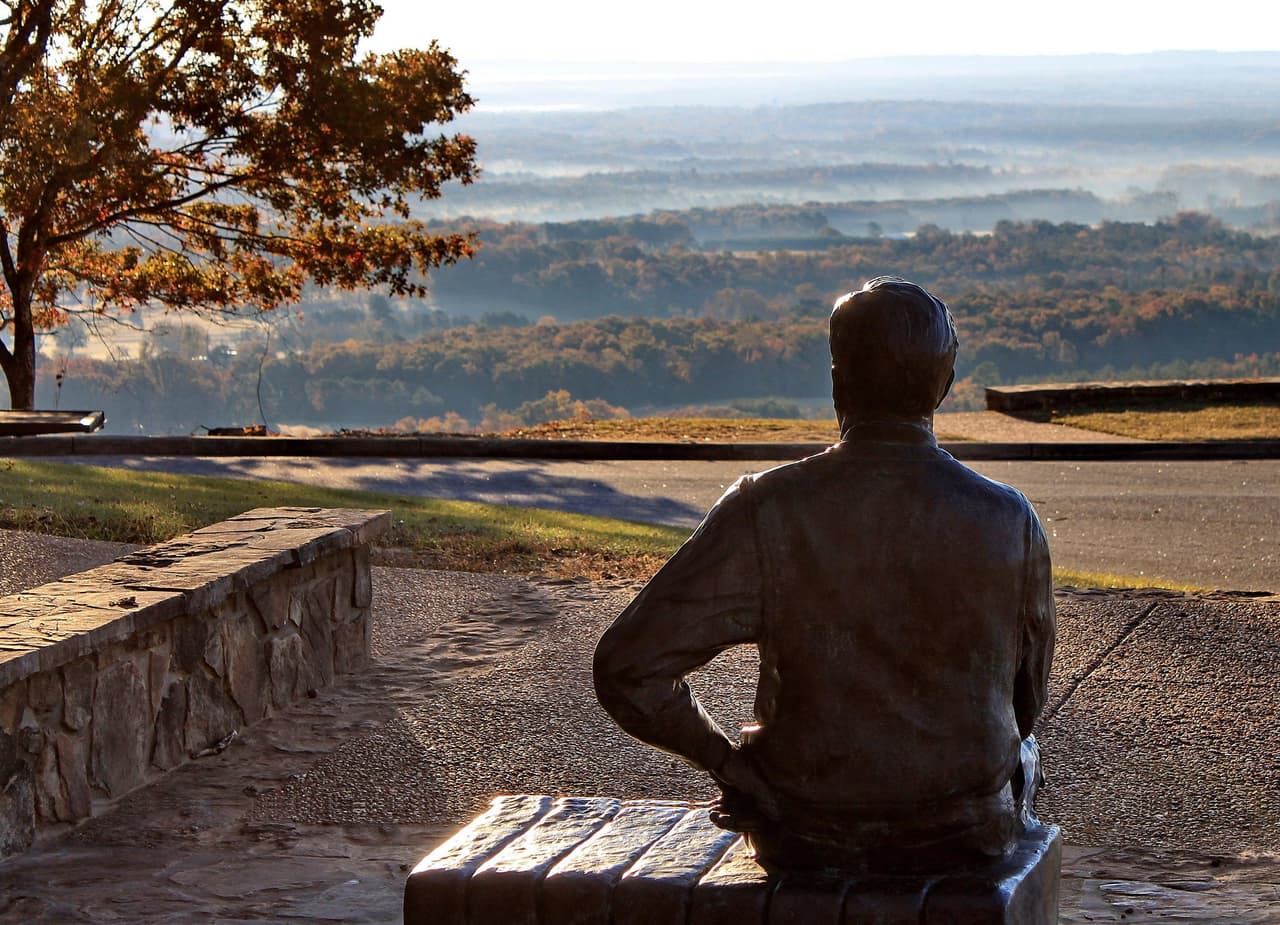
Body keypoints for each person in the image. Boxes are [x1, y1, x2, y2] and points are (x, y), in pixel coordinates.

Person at [593, 277, 1055, 873]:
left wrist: (730, 766)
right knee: (1026, 753)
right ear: (943, 385)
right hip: (966, 830)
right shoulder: (1009, 518)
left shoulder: (767, 510)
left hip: (805, 830)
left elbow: (627, 667)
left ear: (838, 380)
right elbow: (1026, 701)